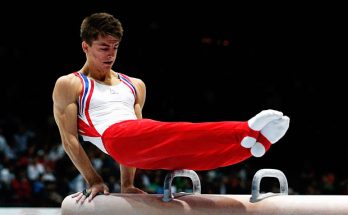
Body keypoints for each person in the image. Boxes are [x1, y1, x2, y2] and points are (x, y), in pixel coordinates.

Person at [52, 12, 290, 204]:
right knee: (174, 132)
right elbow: (69, 139)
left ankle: (252, 146)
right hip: (112, 138)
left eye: (115, 47)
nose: (111, 54)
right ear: (85, 46)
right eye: (104, 47)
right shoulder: (70, 84)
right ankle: (244, 129)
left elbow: (141, 135)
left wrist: (127, 185)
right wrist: (94, 180)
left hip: (136, 140)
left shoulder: (134, 84)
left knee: (190, 154)